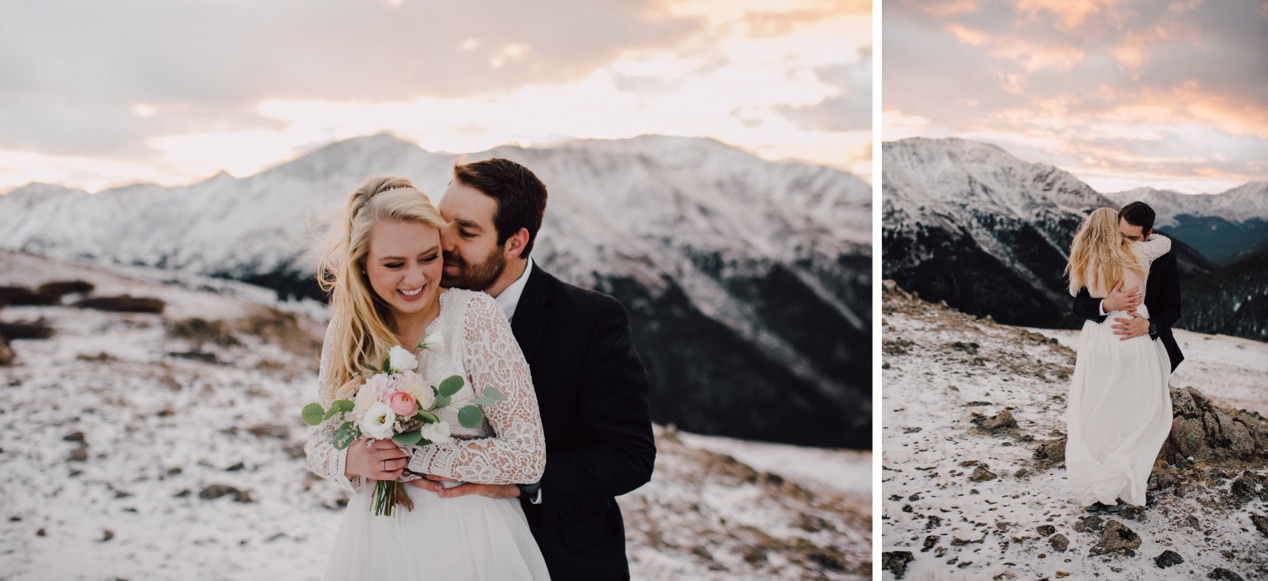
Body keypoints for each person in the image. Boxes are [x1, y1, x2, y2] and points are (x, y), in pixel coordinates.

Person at [407, 158, 656, 580]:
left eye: (466, 231)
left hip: (559, 557)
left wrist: (527, 482)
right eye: (441, 223)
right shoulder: (413, 305)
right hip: (440, 551)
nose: (443, 243)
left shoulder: (590, 320)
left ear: (515, 242)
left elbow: (630, 455)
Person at [304, 176, 550, 580]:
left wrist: (409, 454)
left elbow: (527, 455)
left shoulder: (473, 317)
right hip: (377, 539)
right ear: (362, 264)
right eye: (394, 264)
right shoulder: (348, 330)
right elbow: (319, 439)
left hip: (471, 539)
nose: (415, 278)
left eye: (429, 257)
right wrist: (351, 458)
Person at [1063, 206, 1174, 509]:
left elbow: (1076, 291)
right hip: (1129, 335)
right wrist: (1107, 302)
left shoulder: (1083, 259)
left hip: (1099, 339)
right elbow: (1165, 243)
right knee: (1138, 407)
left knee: (1098, 404)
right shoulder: (1139, 253)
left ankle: (1099, 469)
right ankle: (1124, 472)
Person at [1072, 201, 1184, 372]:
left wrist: (1149, 326)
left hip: (1153, 349)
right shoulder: (1100, 257)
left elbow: (1173, 308)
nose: (1124, 243)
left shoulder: (1164, 260)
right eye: (1120, 235)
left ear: (1148, 234)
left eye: (1133, 238)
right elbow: (1079, 304)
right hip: (1106, 348)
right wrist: (1107, 304)